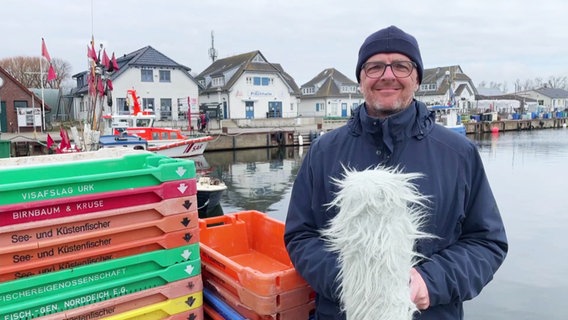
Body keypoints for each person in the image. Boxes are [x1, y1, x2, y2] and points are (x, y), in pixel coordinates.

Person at [284, 25, 508, 320]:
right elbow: (301, 235)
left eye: (401, 66)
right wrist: (354, 281)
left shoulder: (459, 153)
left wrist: (429, 281)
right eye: (375, 66)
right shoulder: (323, 152)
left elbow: (487, 241)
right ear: (361, 78)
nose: (387, 75)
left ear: (416, 78)